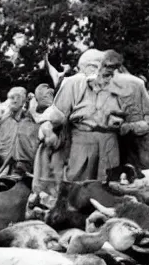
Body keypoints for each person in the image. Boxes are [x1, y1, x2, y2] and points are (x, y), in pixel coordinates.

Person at [41, 48, 124, 182]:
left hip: (110, 140)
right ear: (89, 67)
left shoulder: (116, 85)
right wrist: (48, 129)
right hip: (84, 139)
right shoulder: (73, 82)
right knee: (78, 183)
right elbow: (57, 113)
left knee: (109, 184)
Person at [0, 86, 39, 174]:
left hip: (18, 156)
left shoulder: (26, 114)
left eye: (18, 97)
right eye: (12, 97)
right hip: (4, 153)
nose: (15, 100)